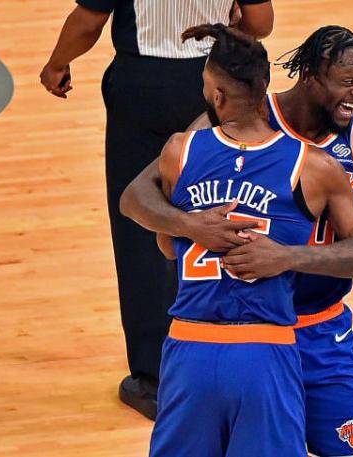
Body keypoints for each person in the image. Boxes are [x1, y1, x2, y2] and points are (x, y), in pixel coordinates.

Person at [121, 26, 353, 456]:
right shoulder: (236, 114)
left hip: (317, 331)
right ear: (310, 75)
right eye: (348, 81)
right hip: (246, 331)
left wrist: (287, 257)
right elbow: (138, 194)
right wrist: (192, 225)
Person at [39, 0, 274, 419]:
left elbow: (89, 21)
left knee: (141, 228)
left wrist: (57, 63)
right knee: (218, 209)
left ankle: (155, 381)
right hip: (214, 84)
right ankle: (228, 358)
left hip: (142, 85)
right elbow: (261, 22)